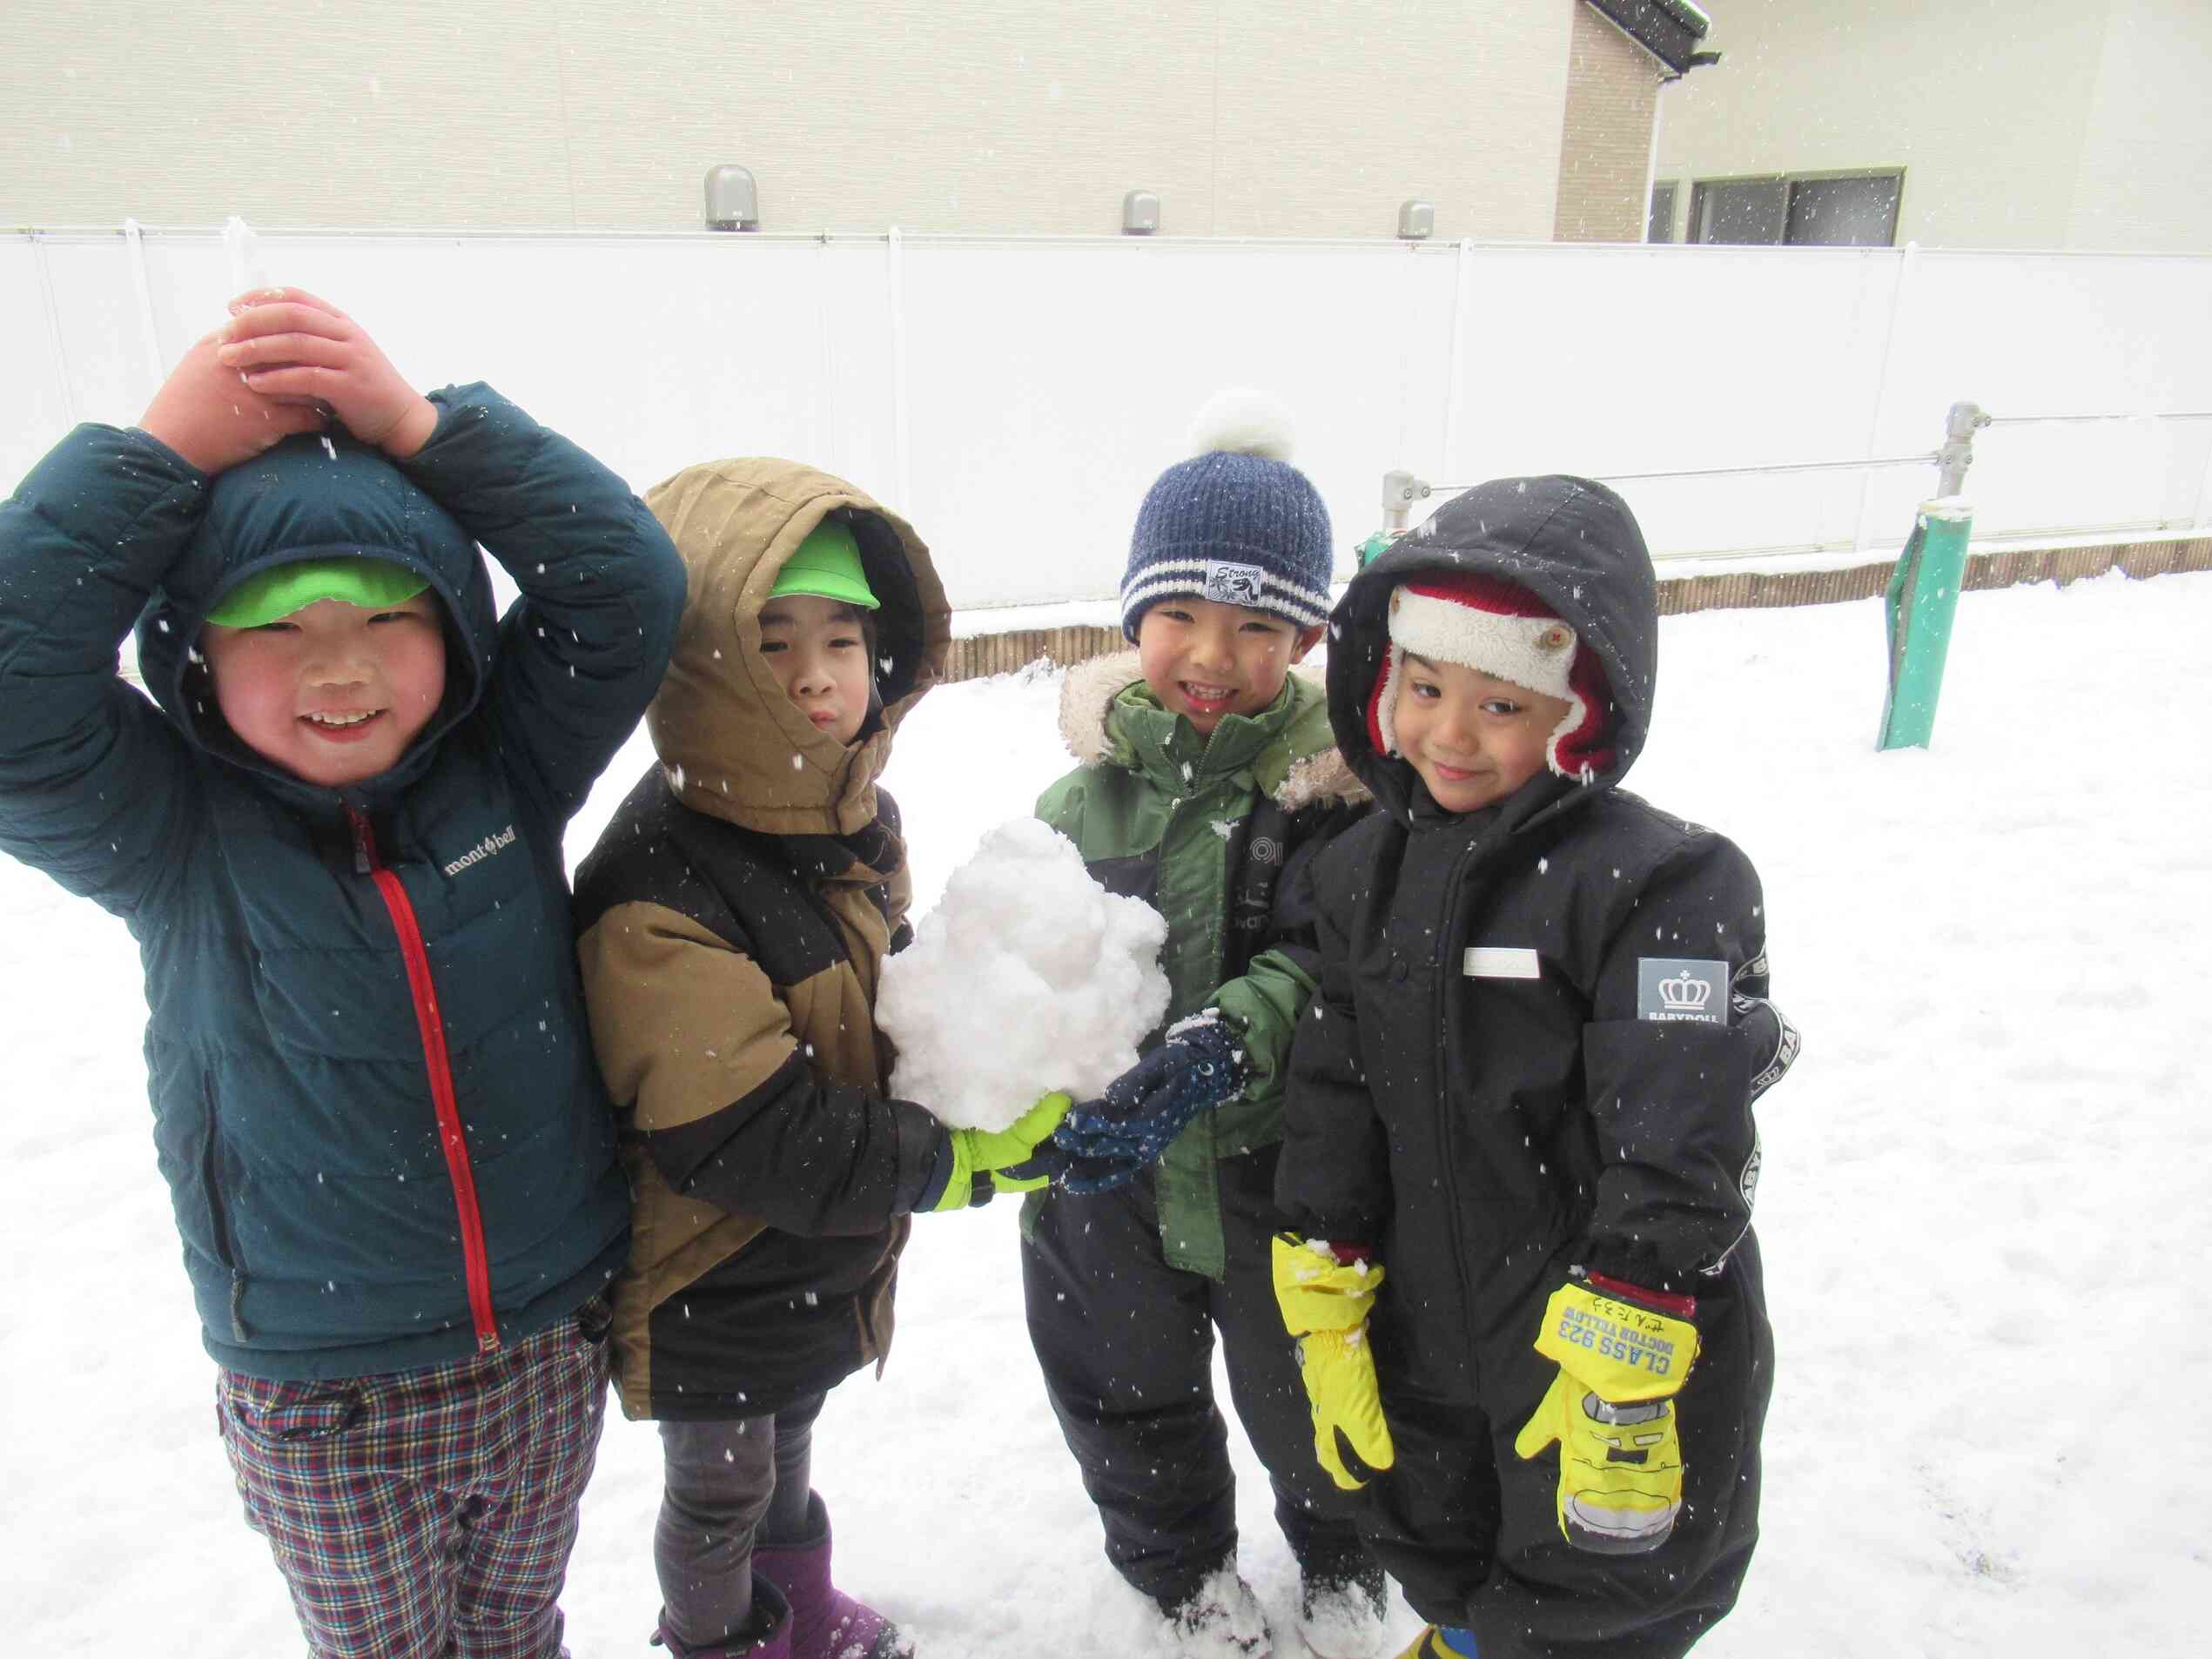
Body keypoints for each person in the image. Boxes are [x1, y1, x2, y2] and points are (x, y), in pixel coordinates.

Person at [0, 288, 688, 1658]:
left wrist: (425, 431)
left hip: (543, 1337)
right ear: (194, 659)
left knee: (517, 1631)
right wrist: (158, 456)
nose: (342, 668)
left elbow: (628, 586)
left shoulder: (509, 767)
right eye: (275, 628)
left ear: (456, 632)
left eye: (387, 616)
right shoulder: (175, 830)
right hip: (328, 1395)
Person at [1269, 475, 1801, 1659]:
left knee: (1605, 1568)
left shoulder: (1659, 883)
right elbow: (1333, 1085)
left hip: (1596, 1321)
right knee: (1438, 1517)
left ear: (1578, 714)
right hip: (1420, 1306)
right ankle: (1463, 1638)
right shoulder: (1358, 870)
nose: (1448, 734)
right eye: (1423, 688)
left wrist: (1638, 1300)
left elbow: (1678, 1112)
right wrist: (1324, 1264)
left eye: (1500, 704)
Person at [570, 461, 1073, 1659]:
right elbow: (741, 1128)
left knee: (791, 1437)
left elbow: (868, 1001)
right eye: (770, 641)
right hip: (711, 1263)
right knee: (720, 1489)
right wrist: (947, 1157)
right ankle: (721, 1641)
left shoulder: (842, 813)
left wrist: (1000, 1046)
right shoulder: (661, 879)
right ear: (702, 662)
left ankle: (796, 1608)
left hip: (811, 1245)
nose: (812, 675)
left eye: (840, 638)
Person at [1022, 393, 1383, 1658]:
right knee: (1123, 1388)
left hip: (1279, 1166)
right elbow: (1022, 947)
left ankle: (1346, 1557)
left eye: (1254, 624)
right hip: (1108, 1175)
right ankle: (1179, 1571)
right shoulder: (1084, 796)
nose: (1211, 655)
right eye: (1179, 615)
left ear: (1303, 637)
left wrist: (1228, 1039)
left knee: (1312, 1394)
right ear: (1134, 620)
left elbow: (1331, 956)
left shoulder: (1338, 795)